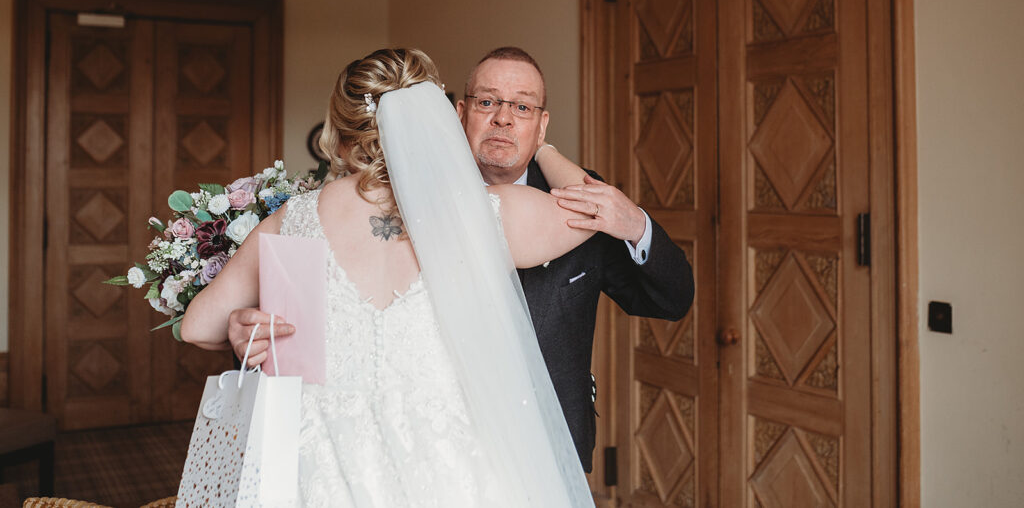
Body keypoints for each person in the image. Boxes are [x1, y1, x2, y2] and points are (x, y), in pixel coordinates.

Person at [230, 46, 695, 473]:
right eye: (488, 102)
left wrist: (635, 224)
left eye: (523, 107)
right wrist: (254, 330)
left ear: (542, 122)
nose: (504, 120)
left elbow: (671, 300)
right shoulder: (387, 201)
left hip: (550, 446)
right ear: (458, 112)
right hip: (429, 448)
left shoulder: (581, 202)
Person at [181, 48, 600, 506]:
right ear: (435, 120)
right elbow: (594, 204)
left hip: (323, 467)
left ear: (338, 127)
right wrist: (542, 144)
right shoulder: (483, 215)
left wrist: (245, 325)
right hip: (447, 464)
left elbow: (196, 326)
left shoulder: (295, 219)